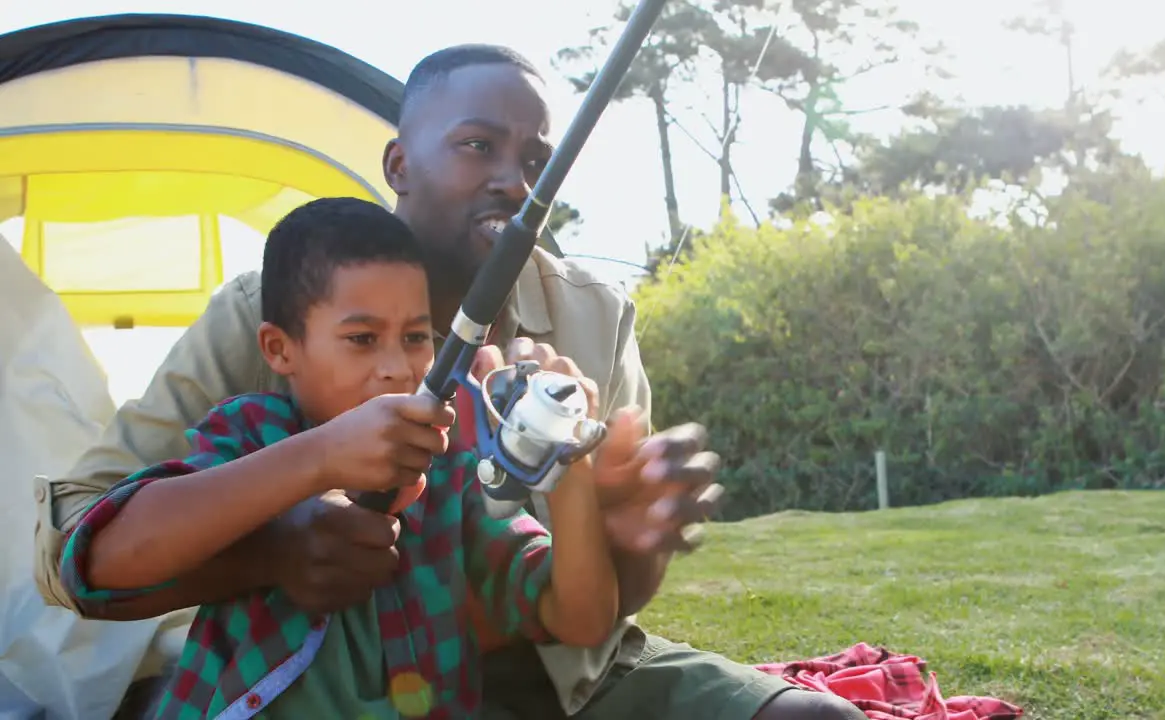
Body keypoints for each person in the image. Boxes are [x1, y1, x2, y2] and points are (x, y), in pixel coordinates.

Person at [33, 44, 864, 720]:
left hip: (558, 681)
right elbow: (79, 553)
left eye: (536, 158)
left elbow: (589, 613)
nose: (514, 178)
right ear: (399, 162)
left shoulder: (592, 324)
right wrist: (276, 551)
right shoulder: (266, 317)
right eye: (478, 146)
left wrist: (617, 523)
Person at [58, 196, 636, 718]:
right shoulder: (252, 434)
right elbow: (101, 566)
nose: (396, 367)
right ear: (280, 350)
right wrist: (321, 459)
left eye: (414, 338)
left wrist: (569, 461)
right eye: (362, 339)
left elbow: (580, 618)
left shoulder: (454, 476)